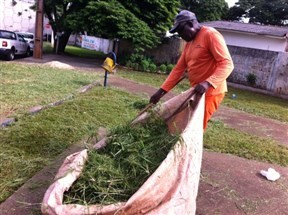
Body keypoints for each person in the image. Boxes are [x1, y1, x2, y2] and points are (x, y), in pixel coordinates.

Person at [150, 10, 234, 130]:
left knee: (195, 127)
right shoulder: (189, 43)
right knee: (185, 123)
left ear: (191, 24)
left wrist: (207, 83)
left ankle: (189, 148)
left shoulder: (210, 35)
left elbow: (227, 63)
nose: (180, 35)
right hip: (196, 91)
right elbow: (178, 69)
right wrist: (161, 92)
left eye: (181, 31)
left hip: (211, 92)